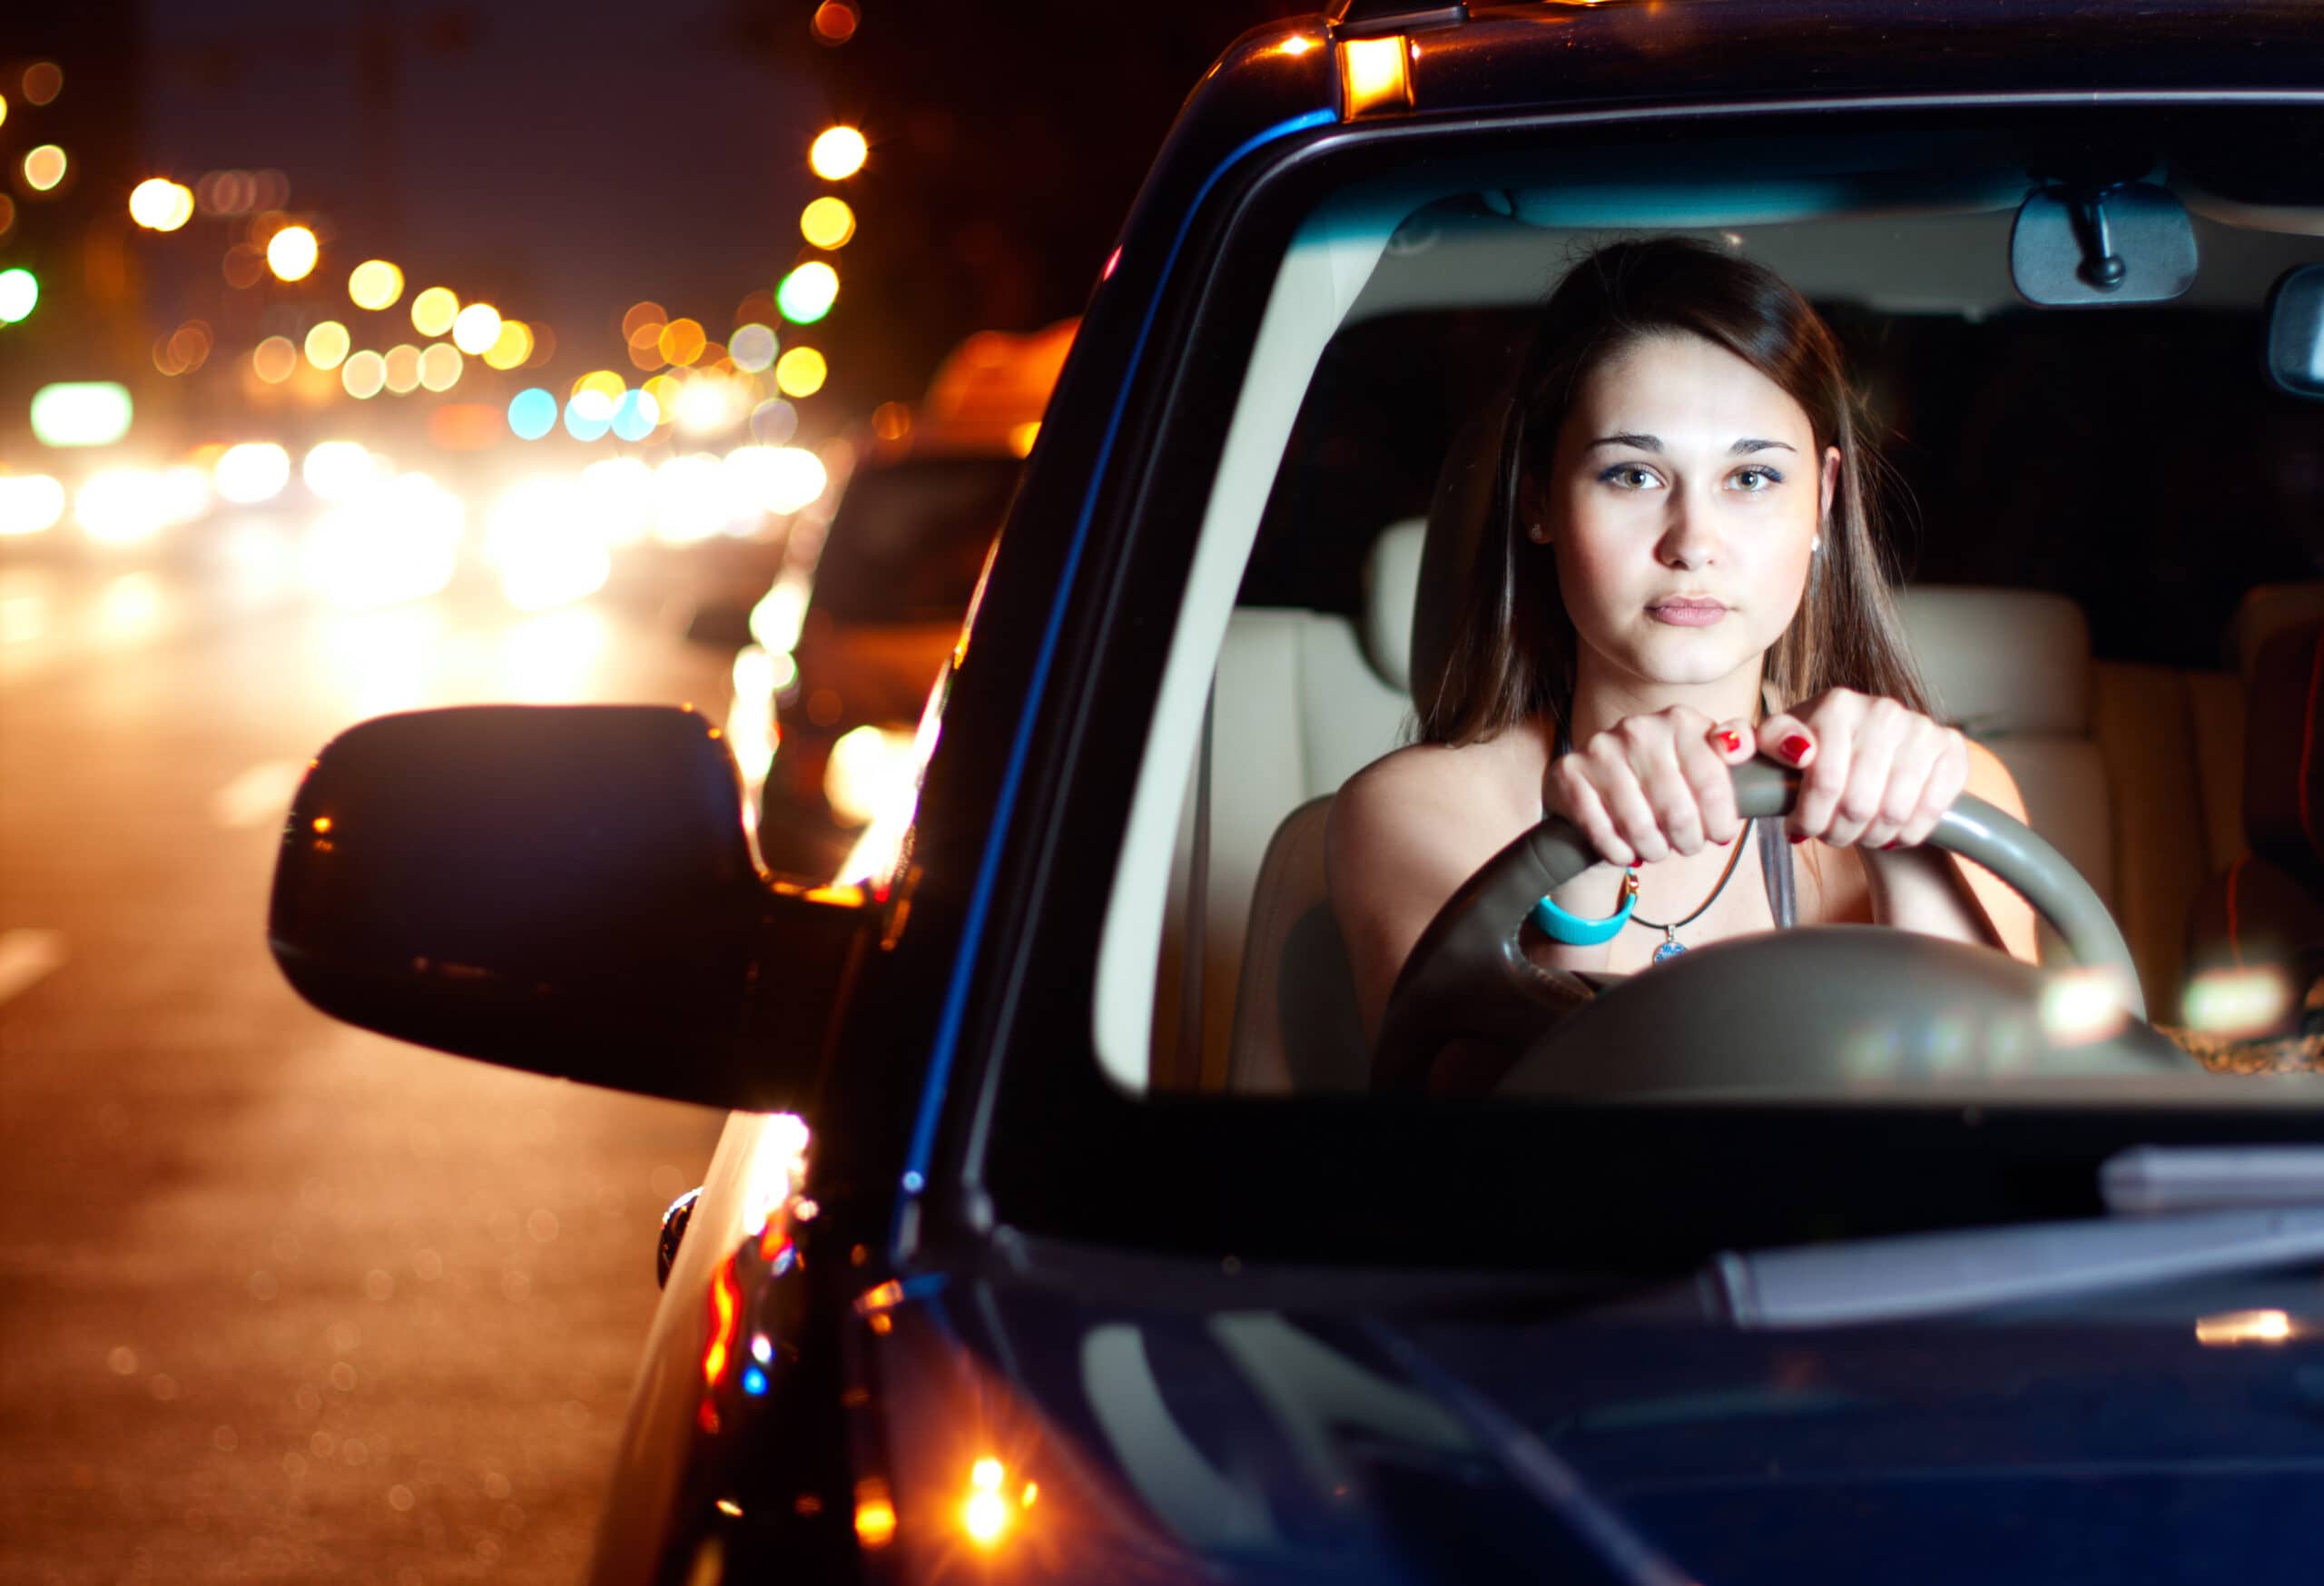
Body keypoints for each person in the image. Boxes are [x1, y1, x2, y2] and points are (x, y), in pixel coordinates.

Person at [1326, 237, 2039, 1092]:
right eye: (1631, 474)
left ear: (1821, 500)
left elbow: (1997, 1141)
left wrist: (1906, 841)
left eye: (1752, 478)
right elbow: (1488, 1175)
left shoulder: (1962, 795)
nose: (1694, 542)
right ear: (1538, 499)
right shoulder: (1418, 811)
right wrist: (1576, 864)